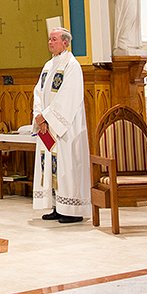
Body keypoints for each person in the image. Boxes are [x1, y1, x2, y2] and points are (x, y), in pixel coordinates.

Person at [30, 27, 91, 223]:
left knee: (66, 166)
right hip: (47, 126)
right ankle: (57, 205)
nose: (50, 42)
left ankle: (71, 210)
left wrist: (47, 118)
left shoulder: (72, 66)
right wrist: (39, 115)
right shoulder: (48, 65)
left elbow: (68, 97)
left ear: (66, 42)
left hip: (65, 128)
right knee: (50, 165)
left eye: (54, 39)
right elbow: (38, 92)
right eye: (49, 39)